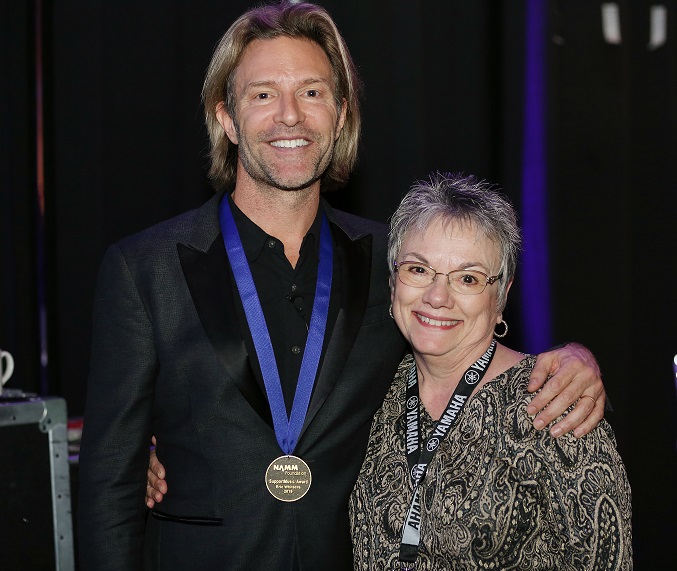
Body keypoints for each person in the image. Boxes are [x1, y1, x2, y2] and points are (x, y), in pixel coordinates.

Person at [78, 2, 606, 570]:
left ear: (341, 113)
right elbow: (109, 485)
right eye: (262, 94)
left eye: (312, 92)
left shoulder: (398, 263)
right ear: (226, 118)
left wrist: (570, 359)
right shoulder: (143, 269)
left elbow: (463, 343)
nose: (290, 117)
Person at [348, 173, 632, 570]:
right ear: (393, 281)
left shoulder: (554, 402)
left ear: (500, 298)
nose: (437, 296)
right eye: (418, 269)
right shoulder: (374, 387)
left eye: (468, 278)